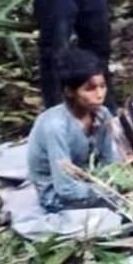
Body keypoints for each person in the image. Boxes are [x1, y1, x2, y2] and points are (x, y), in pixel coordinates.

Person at [27, 48, 119, 213]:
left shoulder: (103, 114)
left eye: (103, 86)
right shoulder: (56, 127)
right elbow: (65, 188)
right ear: (69, 91)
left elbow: (109, 161)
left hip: (91, 181)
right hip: (57, 194)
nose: (99, 95)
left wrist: (117, 182)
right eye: (90, 89)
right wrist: (108, 192)